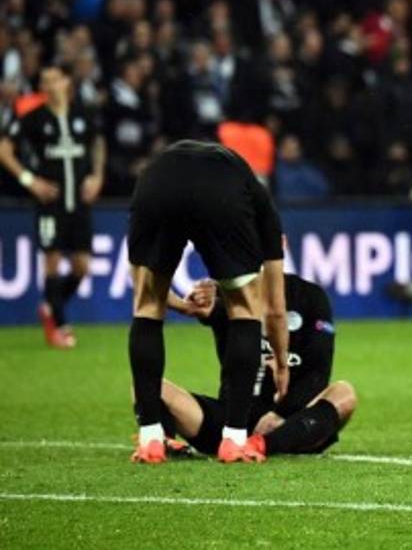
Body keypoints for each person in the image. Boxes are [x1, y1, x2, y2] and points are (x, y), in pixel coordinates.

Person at [126, 139, 289, 464]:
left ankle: (151, 438)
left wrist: (179, 305)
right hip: (221, 189)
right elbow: (273, 310)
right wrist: (282, 362)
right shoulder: (264, 211)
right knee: (245, 308)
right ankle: (234, 441)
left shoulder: (162, 171)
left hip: (157, 181)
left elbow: (141, 289)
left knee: (147, 307)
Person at [155, 274, 356, 457]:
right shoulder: (226, 292)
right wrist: (192, 301)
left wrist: (280, 414)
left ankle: (263, 445)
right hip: (230, 423)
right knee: (151, 384)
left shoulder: (309, 295)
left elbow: (318, 373)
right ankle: (165, 442)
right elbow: (203, 308)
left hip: (290, 421)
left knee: (344, 393)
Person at [0, 64, 106, 349]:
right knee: (53, 261)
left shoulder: (83, 114)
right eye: (44, 82)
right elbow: (4, 150)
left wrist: (97, 176)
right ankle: (59, 325)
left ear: (66, 82)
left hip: (79, 202)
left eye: (54, 80)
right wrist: (30, 181)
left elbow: (98, 142)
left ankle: (49, 306)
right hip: (50, 203)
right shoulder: (33, 118)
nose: (49, 86)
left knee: (82, 266)